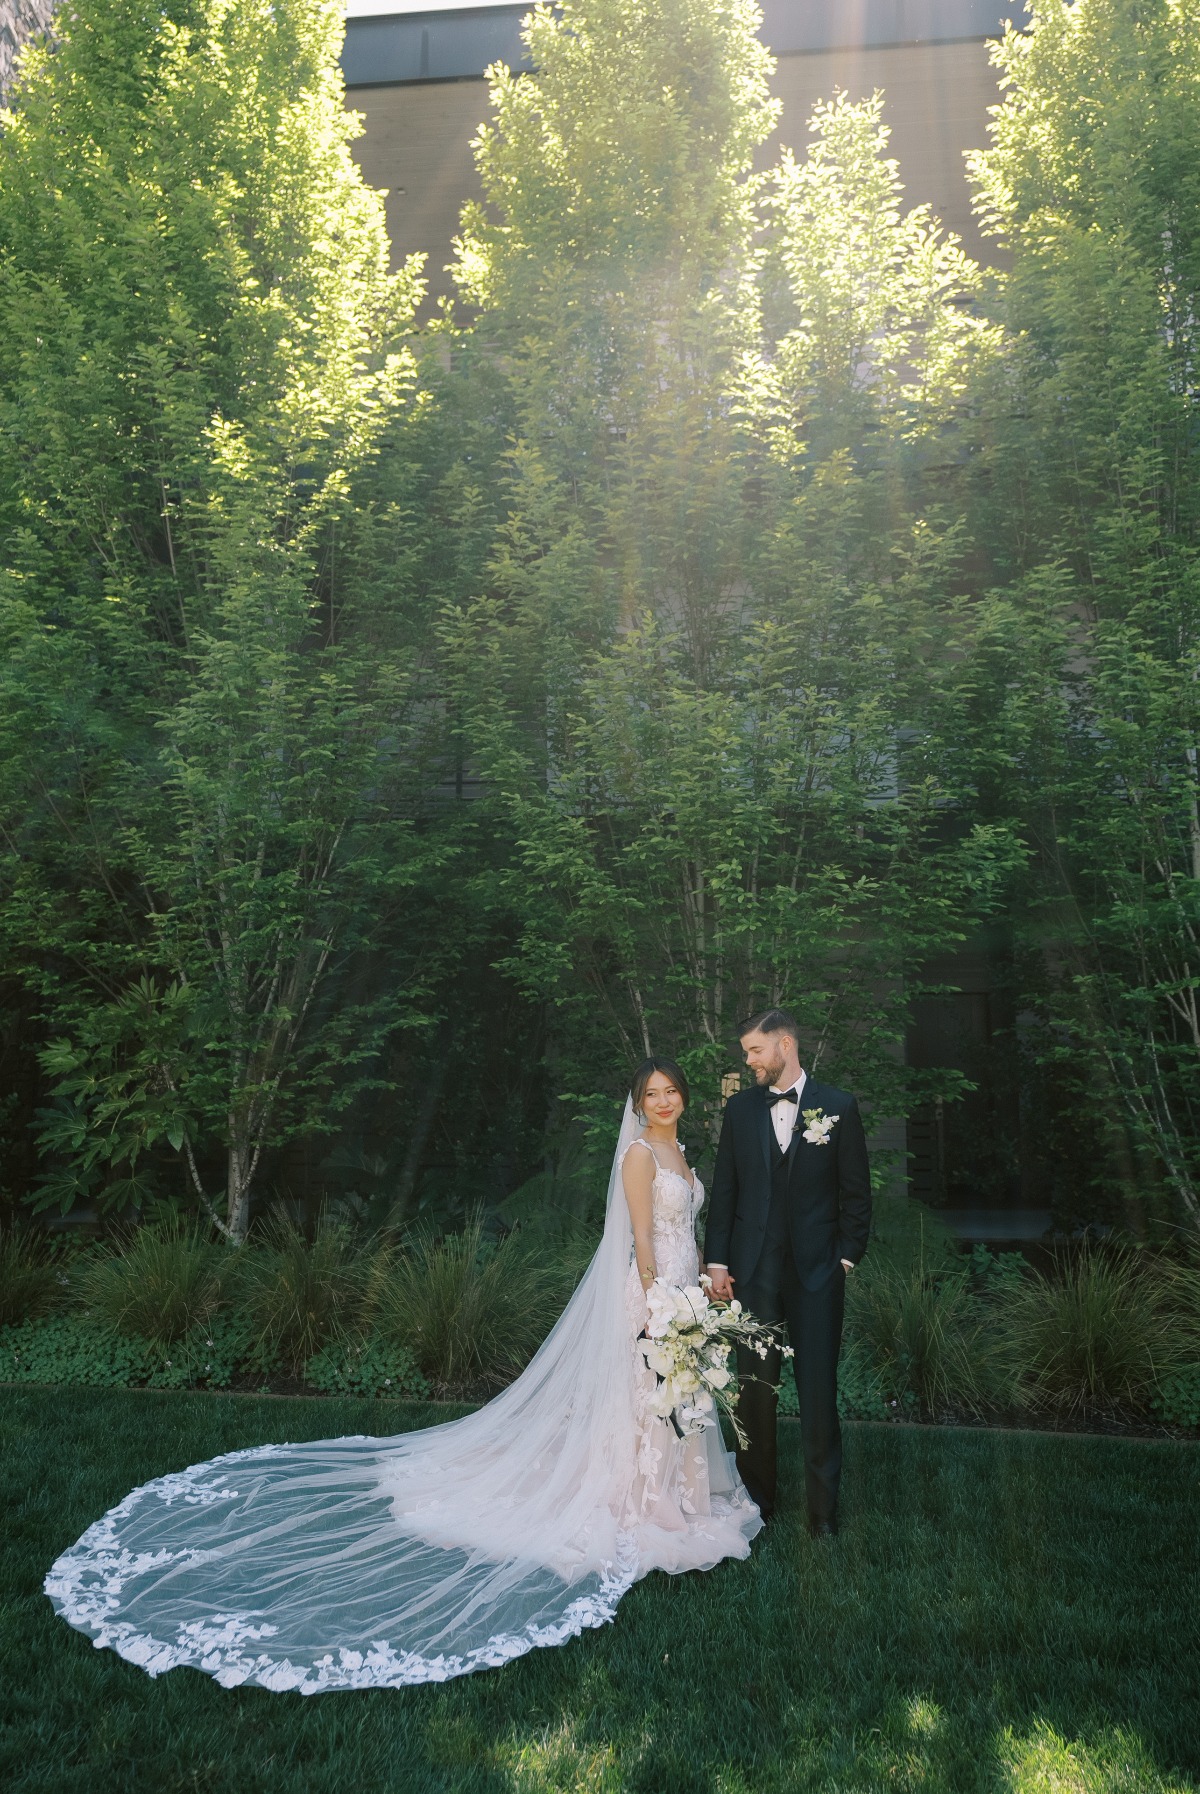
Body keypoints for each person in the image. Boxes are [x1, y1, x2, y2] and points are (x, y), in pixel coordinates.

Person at [44, 1059, 760, 1693]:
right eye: (652, 1093)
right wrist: (660, 1301)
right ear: (637, 1102)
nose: (663, 1101)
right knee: (645, 1391)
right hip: (652, 1294)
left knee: (671, 1397)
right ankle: (633, 1497)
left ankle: (673, 1490)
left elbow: (684, 1230)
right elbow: (638, 1235)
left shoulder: (680, 1150)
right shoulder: (639, 1155)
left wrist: (697, 1284)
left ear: (683, 1100)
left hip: (684, 1286)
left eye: (671, 1093)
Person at [705, 1009, 872, 1537]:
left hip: (817, 1276)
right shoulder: (740, 1110)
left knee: (819, 1392)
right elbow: (726, 1190)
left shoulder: (839, 1108)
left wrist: (844, 1258)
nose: (749, 1060)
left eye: (755, 1051)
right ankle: (757, 1505)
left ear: (784, 1045)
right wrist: (717, 1263)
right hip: (753, 1275)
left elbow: (857, 1196)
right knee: (754, 1391)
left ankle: (822, 1514)